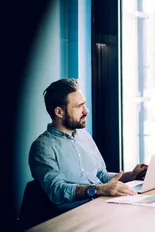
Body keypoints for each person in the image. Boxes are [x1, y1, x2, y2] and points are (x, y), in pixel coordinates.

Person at [29, 78, 148, 209]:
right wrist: (98, 189)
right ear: (59, 112)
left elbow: (101, 176)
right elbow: (57, 190)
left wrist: (132, 175)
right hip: (73, 215)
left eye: (84, 104)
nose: (86, 111)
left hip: (101, 205)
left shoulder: (84, 136)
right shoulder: (42, 147)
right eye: (79, 106)